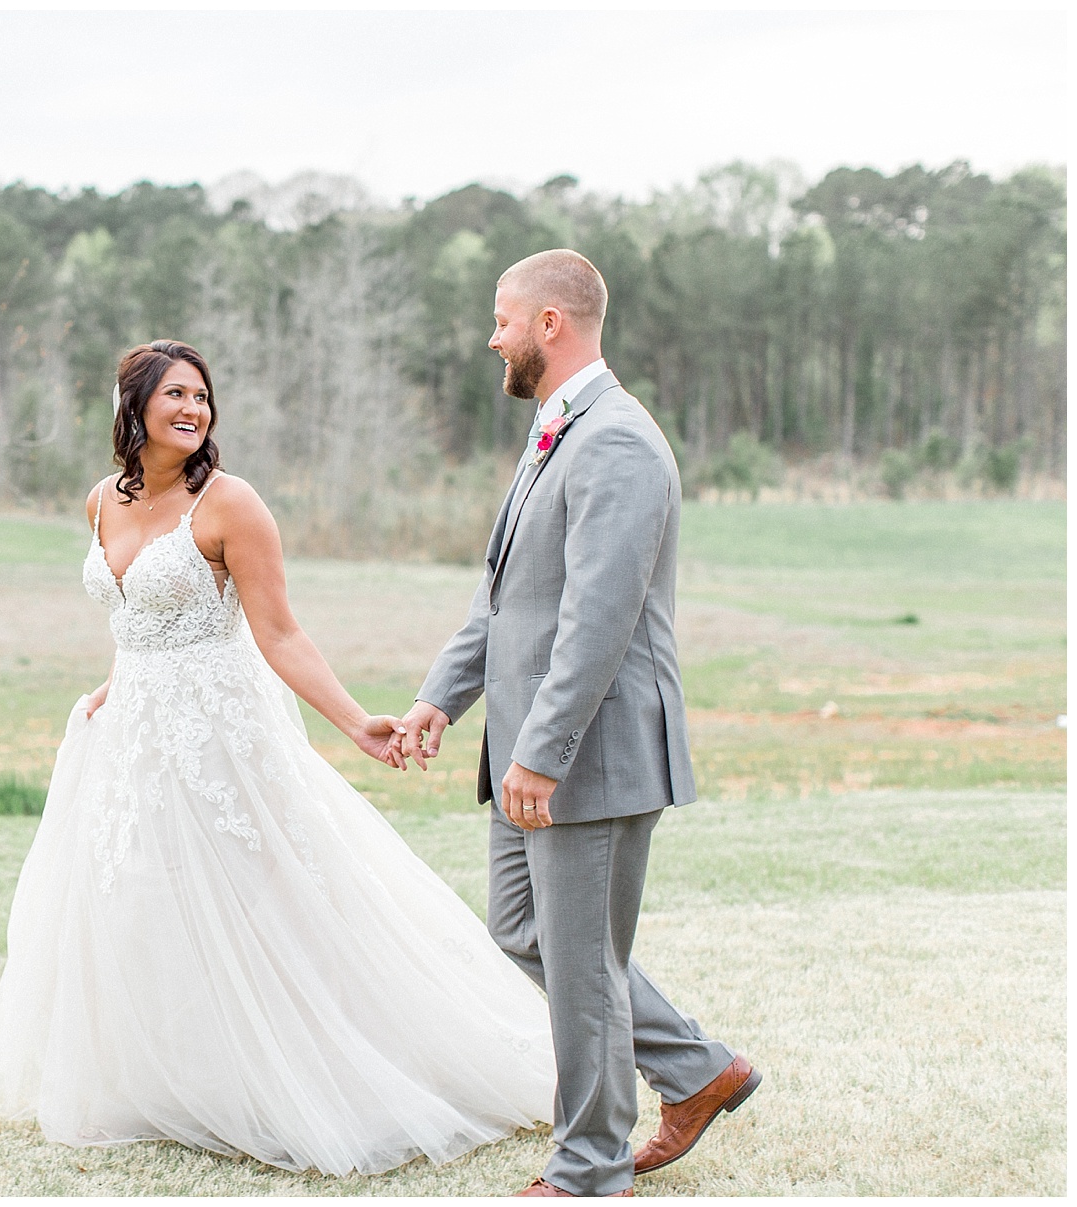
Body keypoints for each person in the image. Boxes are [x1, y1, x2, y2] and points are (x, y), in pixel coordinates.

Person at [0, 339, 556, 1176]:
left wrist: (357, 722)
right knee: (139, 900)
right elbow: (132, 615)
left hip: (219, 735)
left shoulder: (230, 503)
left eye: (202, 397)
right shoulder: (101, 500)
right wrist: (115, 684)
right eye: (174, 394)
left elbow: (279, 631)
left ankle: (307, 1076)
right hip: (133, 733)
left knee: (262, 900)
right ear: (131, 406)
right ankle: (177, 1081)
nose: (193, 409)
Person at [394, 250, 760, 1197]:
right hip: (533, 747)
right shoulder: (556, 430)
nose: (493, 336)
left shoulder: (620, 443)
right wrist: (441, 696)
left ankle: (589, 1165)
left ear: (552, 323)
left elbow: (599, 620)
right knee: (525, 931)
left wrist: (543, 756)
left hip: (590, 755)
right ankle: (696, 1069)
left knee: (585, 961)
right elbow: (507, 597)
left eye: (503, 318)